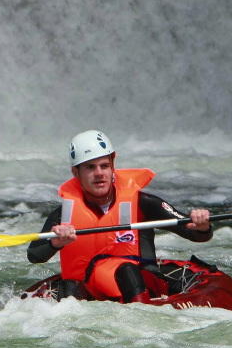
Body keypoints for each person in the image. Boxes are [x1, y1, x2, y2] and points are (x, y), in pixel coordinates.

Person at [27, 130, 214, 304]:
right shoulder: (64, 214)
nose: (99, 173)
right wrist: (56, 243)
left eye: (104, 166)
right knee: (69, 287)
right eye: (90, 167)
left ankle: (140, 316)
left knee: (126, 269)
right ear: (76, 173)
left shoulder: (143, 203)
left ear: (112, 167)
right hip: (93, 289)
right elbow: (34, 255)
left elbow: (195, 233)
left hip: (142, 282)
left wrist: (202, 226)